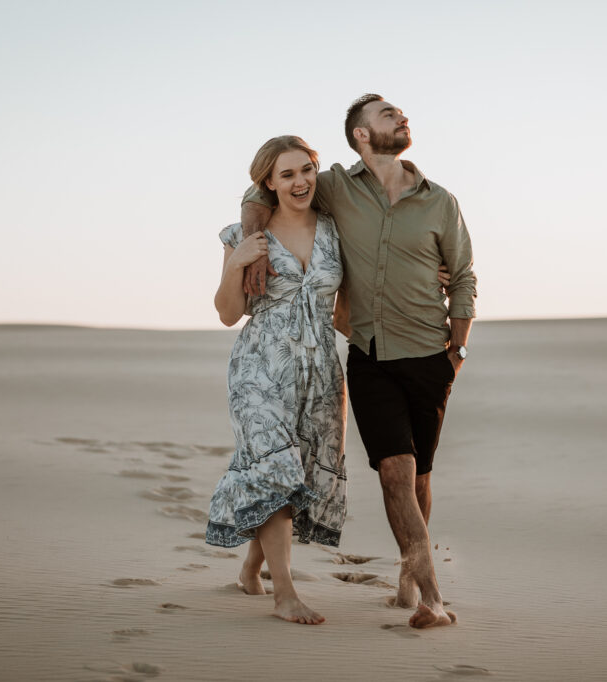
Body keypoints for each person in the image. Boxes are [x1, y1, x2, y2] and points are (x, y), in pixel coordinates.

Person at [240, 95, 477, 629]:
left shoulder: (441, 202)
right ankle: (433, 600)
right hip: (368, 357)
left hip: (430, 356)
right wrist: (252, 244)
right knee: (395, 470)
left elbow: (462, 277)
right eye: (388, 113)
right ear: (362, 135)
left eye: (400, 112)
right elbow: (265, 189)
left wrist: (457, 349)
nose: (402, 116)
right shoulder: (334, 188)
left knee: (419, 477)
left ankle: (406, 577)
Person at [206, 135, 347, 625]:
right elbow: (227, 314)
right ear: (268, 181)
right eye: (286, 174)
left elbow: (349, 307)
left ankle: (251, 569)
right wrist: (238, 263)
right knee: (274, 468)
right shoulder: (243, 236)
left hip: (319, 372)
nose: (300, 181)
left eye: (306, 169)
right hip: (260, 368)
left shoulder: (336, 230)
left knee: (295, 477)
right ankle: (284, 594)